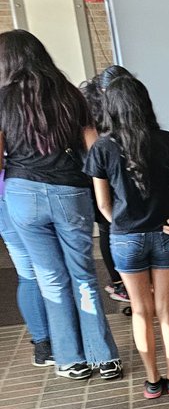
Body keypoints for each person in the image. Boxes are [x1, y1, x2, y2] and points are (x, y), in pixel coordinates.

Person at [0, 29, 121, 381]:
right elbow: (94, 148)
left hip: (22, 193)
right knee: (83, 275)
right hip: (70, 191)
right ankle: (104, 357)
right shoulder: (69, 93)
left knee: (50, 279)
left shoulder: (3, 98)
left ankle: (70, 360)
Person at [85, 69, 169, 399]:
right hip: (166, 234)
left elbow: (102, 204)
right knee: (167, 309)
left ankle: (153, 381)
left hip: (125, 238)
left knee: (141, 311)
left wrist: (121, 225)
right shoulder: (166, 140)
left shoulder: (102, 147)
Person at [82, 69, 130, 303]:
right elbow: (95, 149)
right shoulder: (90, 111)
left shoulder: (122, 104)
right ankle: (119, 281)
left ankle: (128, 278)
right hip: (98, 173)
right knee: (107, 227)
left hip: (118, 170)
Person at [0, 170, 53, 366]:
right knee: (38, 273)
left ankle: (43, 343)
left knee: (28, 275)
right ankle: (47, 343)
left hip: (6, 196)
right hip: (22, 192)